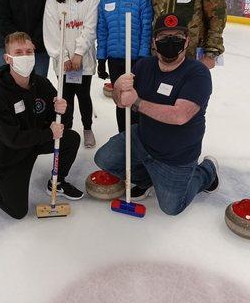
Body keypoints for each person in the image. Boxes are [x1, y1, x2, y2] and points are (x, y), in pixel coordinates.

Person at [94, 13, 219, 215]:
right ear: (154, 41)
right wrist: (118, 87)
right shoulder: (144, 66)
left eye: (177, 36)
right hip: (143, 139)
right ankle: (147, 179)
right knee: (104, 159)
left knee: (172, 208)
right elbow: (122, 102)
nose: (170, 41)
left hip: (176, 155)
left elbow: (180, 116)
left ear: (187, 40)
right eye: (163, 37)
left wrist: (137, 101)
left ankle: (206, 171)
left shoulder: (197, 73)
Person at [0, 32, 84, 219]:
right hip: (5, 155)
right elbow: (11, 139)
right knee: (18, 211)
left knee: (71, 139)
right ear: (8, 58)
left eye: (29, 51)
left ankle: (58, 181)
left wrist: (63, 111)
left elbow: (64, 127)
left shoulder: (42, 84)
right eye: (19, 52)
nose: (25, 56)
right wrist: (48, 133)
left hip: (31, 144)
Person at [43, 0, 99, 148]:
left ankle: (87, 127)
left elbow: (90, 27)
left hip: (83, 60)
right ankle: (67, 130)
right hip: (64, 63)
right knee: (65, 98)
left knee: (84, 96)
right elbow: (51, 30)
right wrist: (64, 56)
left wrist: (78, 53)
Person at [97, 0, 153, 133]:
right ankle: (123, 138)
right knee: (120, 101)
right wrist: (101, 59)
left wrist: (144, 56)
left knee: (136, 101)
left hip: (136, 59)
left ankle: (138, 140)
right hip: (115, 60)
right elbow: (102, 31)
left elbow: (146, 27)